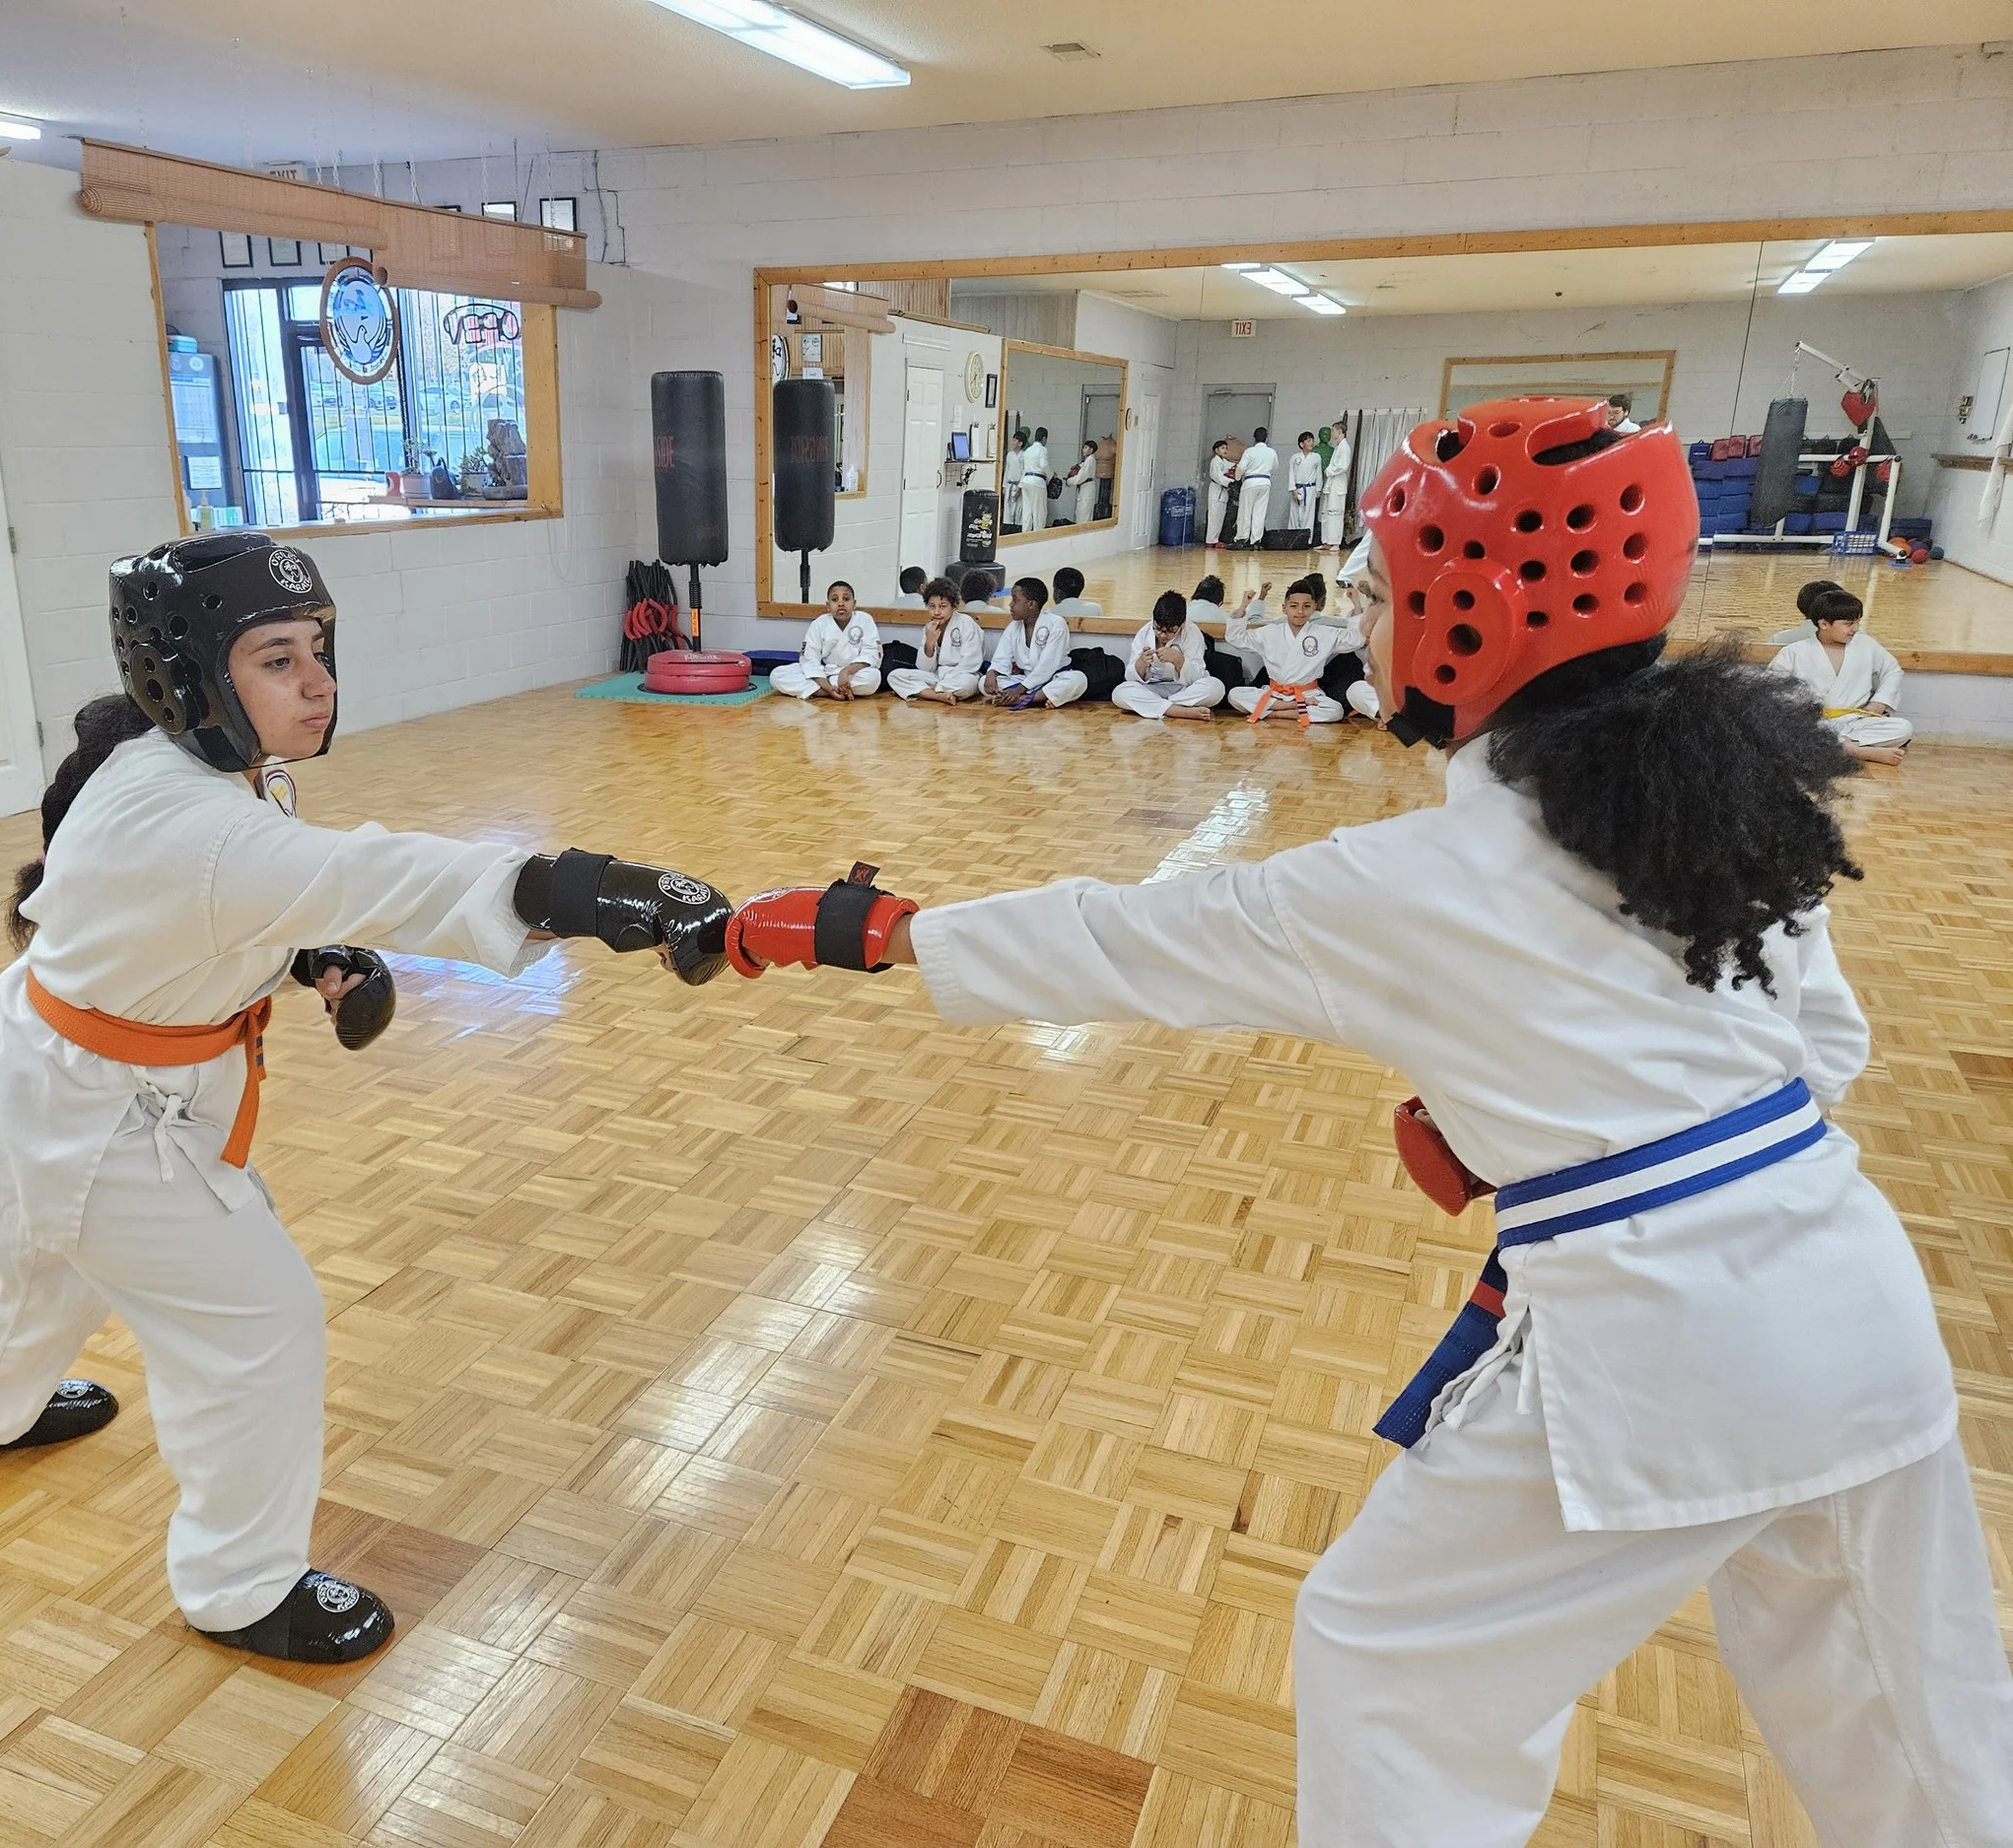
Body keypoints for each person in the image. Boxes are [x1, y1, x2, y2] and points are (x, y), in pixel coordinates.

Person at [722, 396, 2013, 1847]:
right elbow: (1818, 1044)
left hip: (1670, 1335)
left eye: (1386, 590)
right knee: (1913, 1722)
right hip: (1860, 1302)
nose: (1369, 619)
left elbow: (1137, 939)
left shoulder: (1420, 871)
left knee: (1388, 1661)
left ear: (1481, 610)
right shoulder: (1724, 795)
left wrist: (875, 927)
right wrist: (1582, 1129)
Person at [0, 531, 732, 1665]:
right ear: (191, 674)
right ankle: (241, 1587)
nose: (319, 683)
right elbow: (382, 874)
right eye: (277, 660)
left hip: (40, 1075)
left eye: (319, 649)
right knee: (257, 1329)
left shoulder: (187, 765)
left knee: (28, 1245)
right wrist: (602, 892)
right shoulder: (196, 819)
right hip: (102, 1121)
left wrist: (306, 954)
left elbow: (221, 898)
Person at [1770, 586, 1910, 765]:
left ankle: (1840, 746)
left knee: (1903, 728)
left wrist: (1879, 702)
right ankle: (1854, 750)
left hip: (1855, 721)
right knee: (1785, 731)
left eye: (1858, 622)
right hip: (1814, 722)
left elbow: (1892, 670)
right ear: (1824, 624)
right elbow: (1773, 688)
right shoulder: (1793, 652)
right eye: (1848, 624)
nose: (1855, 629)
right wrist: (1798, 708)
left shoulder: (1866, 645)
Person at [1224, 571, 1379, 723]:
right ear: (1284, 608)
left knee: (1335, 710)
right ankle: (1291, 708)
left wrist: (1357, 604)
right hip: (1274, 693)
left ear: (1314, 608)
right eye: (1293, 606)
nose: (1300, 611)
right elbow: (1236, 638)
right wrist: (1244, 605)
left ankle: (1274, 713)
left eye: (1306, 606)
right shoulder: (1269, 632)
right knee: (1235, 694)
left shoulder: (1324, 633)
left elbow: (1355, 640)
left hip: (1308, 694)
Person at [1112, 588, 1225, 720]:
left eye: (1170, 631)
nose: (1162, 635)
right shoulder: (1145, 632)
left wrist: (1179, 660)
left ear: (1182, 624)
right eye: (1158, 629)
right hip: (1152, 688)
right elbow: (1130, 677)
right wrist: (1141, 664)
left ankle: (1151, 706)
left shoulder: (1192, 633)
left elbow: (1197, 676)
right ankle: (1179, 711)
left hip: (1183, 690)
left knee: (1216, 687)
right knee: (1120, 692)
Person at [981, 575, 1088, 710]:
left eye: (1015, 600)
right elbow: (1001, 658)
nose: (1010, 604)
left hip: (1054, 678)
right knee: (983, 682)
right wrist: (992, 674)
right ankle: (1037, 698)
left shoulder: (1056, 623)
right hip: (1026, 679)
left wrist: (1019, 690)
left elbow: (1048, 665)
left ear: (1031, 604)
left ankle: (1024, 699)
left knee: (1078, 680)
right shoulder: (1014, 627)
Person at [771, 580, 881, 700]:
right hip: (825, 673)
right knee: (777, 675)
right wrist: (826, 686)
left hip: (853, 673)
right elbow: (809, 659)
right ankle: (828, 691)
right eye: (834, 600)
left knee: (873, 678)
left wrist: (846, 672)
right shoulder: (819, 624)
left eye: (846, 599)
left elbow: (871, 653)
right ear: (828, 606)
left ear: (854, 604)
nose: (841, 603)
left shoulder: (865, 620)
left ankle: (824, 689)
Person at [888, 575, 985, 704]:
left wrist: (944, 681)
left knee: (968, 684)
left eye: (942, 606)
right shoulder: (929, 628)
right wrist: (929, 642)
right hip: (937, 676)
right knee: (894, 676)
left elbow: (971, 663)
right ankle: (939, 696)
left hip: (962, 675)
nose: (937, 612)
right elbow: (923, 669)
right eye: (932, 606)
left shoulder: (966, 623)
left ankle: (926, 692)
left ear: (954, 606)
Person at [1235, 425, 1277, 547]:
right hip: (1265, 482)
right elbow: (1275, 467)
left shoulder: (1249, 451)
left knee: (1245, 511)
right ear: (1266, 438)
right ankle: (1256, 540)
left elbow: (1241, 467)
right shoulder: (1271, 452)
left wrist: (1237, 478)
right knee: (1260, 512)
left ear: (1254, 438)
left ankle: (1242, 538)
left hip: (1250, 482)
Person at [1319, 417, 1353, 547]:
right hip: (1331, 483)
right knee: (1327, 512)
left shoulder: (1345, 447)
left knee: (1335, 513)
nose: (1331, 434)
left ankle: (1335, 542)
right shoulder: (1338, 447)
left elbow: (1343, 466)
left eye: (1333, 431)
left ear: (1340, 432)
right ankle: (1326, 541)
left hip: (1338, 483)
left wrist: (1330, 470)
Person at [1286, 430, 1323, 541]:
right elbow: (1291, 474)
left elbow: (1319, 474)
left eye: (1312, 440)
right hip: (1297, 488)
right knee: (1295, 513)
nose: (1311, 443)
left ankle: (1307, 539)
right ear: (1302, 444)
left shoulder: (1316, 457)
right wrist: (1293, 489)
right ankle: (1292, 537)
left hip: (1310, 488)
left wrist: (1318, 490)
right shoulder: (1295, 457)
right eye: (1308, 440)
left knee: (1309, 514)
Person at [1020, 426, 1052, 532]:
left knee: (1027, 511)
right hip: (1037, 482)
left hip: (1026, 481)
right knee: (1039, 512)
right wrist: (1051, 475)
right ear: (1044, 438)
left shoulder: (1028, 450)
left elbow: (1024, 468)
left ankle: (1025, 535)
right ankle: (1038, 535)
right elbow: (1044, 465)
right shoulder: (1043, 449)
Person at [1205, 439, 1236, 547]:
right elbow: (1217, 477)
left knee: (1220, 517)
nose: (1225, 450)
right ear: (1216, 450)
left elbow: (1232, 466)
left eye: (1226, 448)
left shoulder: (1223, 461)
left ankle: (1215, 540)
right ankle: (1210, 541)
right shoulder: (1215, 461)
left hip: (1223, 492)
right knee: (1214, 517)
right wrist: (1230, 482)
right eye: (1222, 448)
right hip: (1216, 490)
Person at [1063, 439, 1099, 525]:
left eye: (1086, 447)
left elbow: (1080, 478)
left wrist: (1069, 481)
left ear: (1091, 450)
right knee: (1081, 515)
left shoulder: (1090, 460)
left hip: (1086, 490)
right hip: (1085, 489)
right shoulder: (1087, 461)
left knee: (1084, 517)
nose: (1083, 449)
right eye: (1084, 447)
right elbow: (1080, 469)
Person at [1003, 429, 1026, 530]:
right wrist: (1004, 486)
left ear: (1020, 443)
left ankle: (1017, 529)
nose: (1012, 442)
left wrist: (1020, 487)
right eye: (1012, 440)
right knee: (1008, 511)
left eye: (1015, 441)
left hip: (1019, 486)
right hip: (1009, 485)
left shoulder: (1024, 455)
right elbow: (1006, 471)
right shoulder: (1009, 455)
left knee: (1018, 510)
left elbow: (1025, 472)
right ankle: (1008, 529)